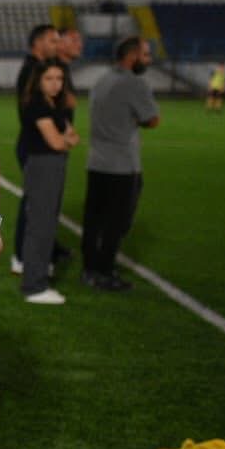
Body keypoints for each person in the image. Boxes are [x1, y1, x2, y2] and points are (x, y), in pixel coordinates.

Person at [81, 35, 161, 291]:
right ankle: (104, 272)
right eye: (145, 54)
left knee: (94, 221)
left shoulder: (102, 79)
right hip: (122, 165)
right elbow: (153, 120)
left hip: (96, 162)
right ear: (132, 56)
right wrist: (133, 120)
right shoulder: (135, 83)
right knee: (116, 223)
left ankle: (89, 269)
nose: (148, 60)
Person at [16, 61, 80, 304]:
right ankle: (34, 286)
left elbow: (73, 136)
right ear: (38, 81)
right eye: (49, 78)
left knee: (48, 224)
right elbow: (57, 142)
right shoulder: (37, 104)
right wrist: (65, 140)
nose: (56, 84)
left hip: (54, 164)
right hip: (42, 165)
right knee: (40, 226)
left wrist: (65, 139)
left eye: (59, 79)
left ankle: (39, 276)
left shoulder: (55, 104)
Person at [9, 24, 63, 273]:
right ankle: (22, 256)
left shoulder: (39, 67)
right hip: (35, 146)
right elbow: (36, 111)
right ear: (38, 43)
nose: (56, 45)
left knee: (40, 202)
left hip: (38, 145)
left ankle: (43, 250)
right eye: (52, 41)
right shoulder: (32, 71)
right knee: (34, 203)